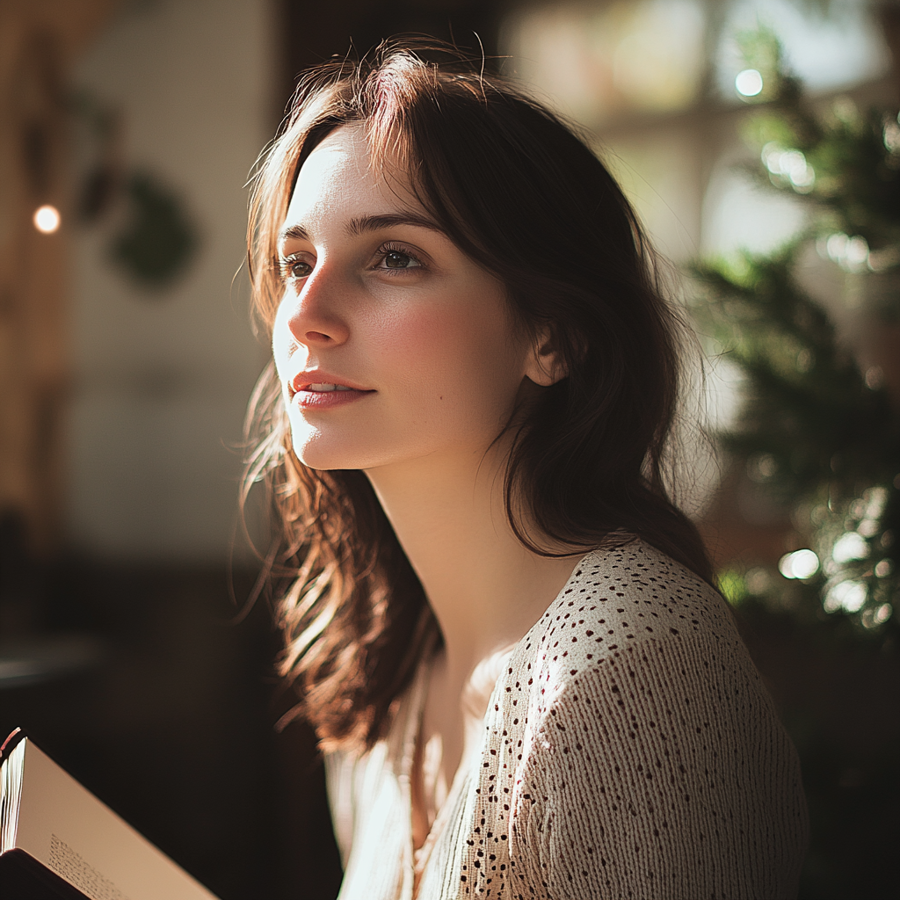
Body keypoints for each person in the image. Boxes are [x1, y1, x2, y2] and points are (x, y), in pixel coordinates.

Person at [243, 42, 808, 900]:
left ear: (552, 335)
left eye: (395, 256)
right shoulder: (386, 676)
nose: (307, 316)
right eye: (295, 262)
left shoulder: (632, 676)